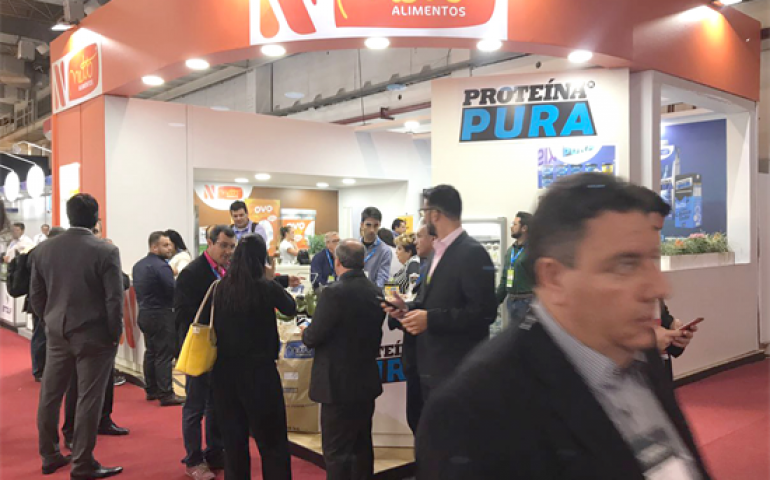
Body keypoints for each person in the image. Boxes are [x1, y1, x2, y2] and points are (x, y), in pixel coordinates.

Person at [415, 174, 712, 479]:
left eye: (652, 259)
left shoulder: (639, 354)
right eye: (626, 264)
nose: (659, 287)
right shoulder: (473, 414)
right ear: (553, 278)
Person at [30, 193, 124, 479]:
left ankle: (49, 455)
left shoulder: (44, 249)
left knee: (50, 395)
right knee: (89, 398)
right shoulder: (106, 250)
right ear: (96, 217)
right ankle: (82, 463)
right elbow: (114, 299)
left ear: (69, 216)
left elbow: (36, 295)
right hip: (94, 335)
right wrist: (114, 333)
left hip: (57, 332)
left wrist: (50, 320)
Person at [383, 185, 497, 402]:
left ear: (435, 214)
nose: (424, 218)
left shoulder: (472, 253)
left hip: (455, 370)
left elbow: (484, 313)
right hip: (431, 367)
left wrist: (431, 319)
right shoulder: (438, 253)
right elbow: (432, 302)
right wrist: (406, 309)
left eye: (424, 212)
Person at [211, 235, 297, 480]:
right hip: (259, 373)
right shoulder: (265, 286)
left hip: (224, 374)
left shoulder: (220, 287)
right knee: (272, 441)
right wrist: (271, 279)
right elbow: (290, 308)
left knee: (234, 442)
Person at [302, 239, 385, 480]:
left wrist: (305, 331)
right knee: (362, 446)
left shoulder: (333, 293)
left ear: (337, 262)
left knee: (336, 451)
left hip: (336, 385)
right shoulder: (375, 291)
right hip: (365, 381)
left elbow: (313, 336)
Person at [174, 226, 235, 480]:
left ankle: (215, 452)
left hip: (222, 349)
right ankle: (193, 459)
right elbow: (182, 315)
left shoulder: (228, 271)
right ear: (209, 243)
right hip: (199, 348)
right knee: (195, 406)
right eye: (223, 245)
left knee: (216, 404)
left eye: (232, 246)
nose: (228, 251)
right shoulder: (192, 273)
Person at [643, 188, 697, 381]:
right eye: (653, 229)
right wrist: (648, 344)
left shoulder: (650, 271)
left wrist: (676, 335)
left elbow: (663, 321)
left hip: (659, 378)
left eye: (659, 230)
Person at [388, 224, 433, 434]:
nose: (416, 242)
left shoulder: (418, 265)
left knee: (421, 413)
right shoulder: (422, 264)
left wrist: (408, 309)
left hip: (425, 352)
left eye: (420, 237)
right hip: (415, 352)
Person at [132, 232, 185, 406]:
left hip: (144, 313)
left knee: (151, 352)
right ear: (154, 247)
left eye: (169, 245)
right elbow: (173, 290)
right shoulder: (162, 267)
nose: (170, 248)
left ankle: (151, 389)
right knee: (163, 354)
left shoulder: (138, 266)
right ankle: (166, 393)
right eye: (165, 245)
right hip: (162, 314)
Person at [495, 212, 535, 329]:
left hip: (527, 302)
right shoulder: (510, 251)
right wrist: (495, 301)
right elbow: (505, 278)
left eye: (514, 224)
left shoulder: (532, 251)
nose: (511, 227)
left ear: (524, 228)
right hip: (511, 301)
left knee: (525, 336)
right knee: (513, 335)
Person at [360, 207, 393, 288]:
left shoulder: (385, 251)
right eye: (368, 225)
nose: (372, 230)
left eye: (376, 225)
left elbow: (382, 279)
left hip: (373, 293)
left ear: (379, 225)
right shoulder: (354, 248)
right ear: (362, 225)